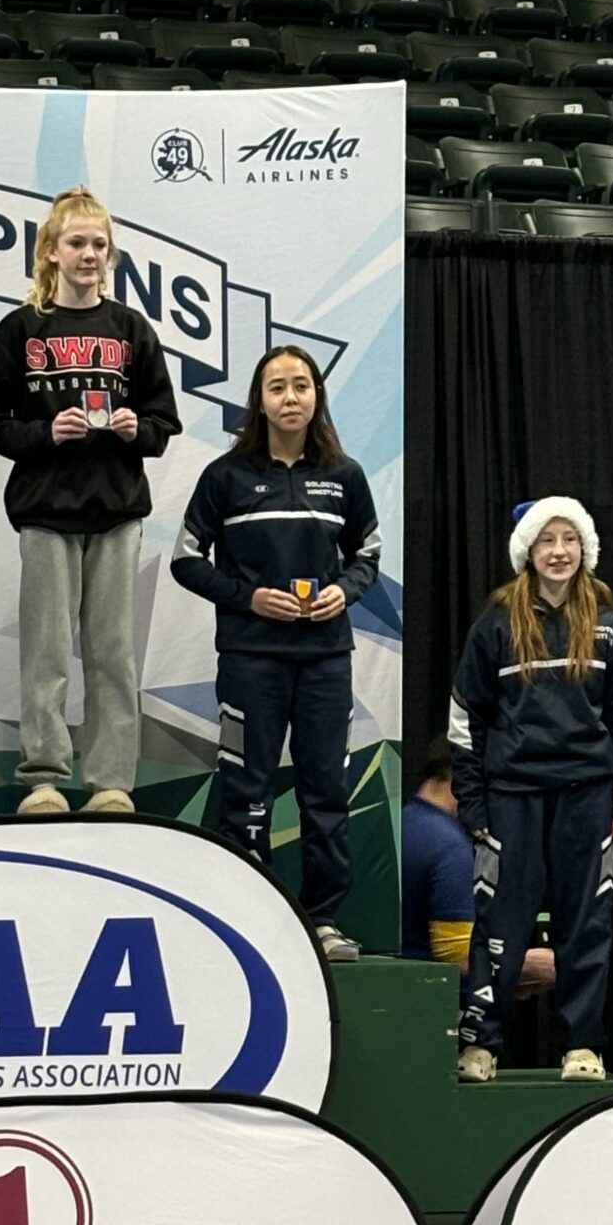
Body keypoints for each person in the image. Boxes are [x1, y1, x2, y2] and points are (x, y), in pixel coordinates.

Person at [0, 186, 180, 814]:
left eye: (99, 244)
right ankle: (43, 778)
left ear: (110, 254)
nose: (89, 254)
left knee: (113, 652)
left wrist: (132, 430)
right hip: (44, 511)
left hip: (117, 512)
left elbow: (163, 422)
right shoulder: (20, 329)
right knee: (45, 652)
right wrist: (45, 433)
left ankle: (112, 781)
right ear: (50, 251)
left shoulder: (130, 329)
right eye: (77, 243)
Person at [172, 345, 381, 961]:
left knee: (325, 791)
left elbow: (366, 556)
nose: (290, 398)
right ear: (258, 402)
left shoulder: (345, 476)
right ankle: (245, 913)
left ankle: (321, 921)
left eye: (301, 386)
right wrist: (249, 599)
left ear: (316, 396)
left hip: (324, 662)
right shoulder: (225, 477)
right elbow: (186, 559)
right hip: (250, 658)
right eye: (276, 388)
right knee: (247, 786)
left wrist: (343, 593)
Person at [448, 496, 613, 1080]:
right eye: (546, 541)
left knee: (586, 926)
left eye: (569, 540)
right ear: (527, 553)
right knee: (500, 924)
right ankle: (480, 1043)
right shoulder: (496, 626)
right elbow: (464, 719)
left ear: (585, 549)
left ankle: (583, 1046)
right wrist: (474, 801)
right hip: (511, 798)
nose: (559, 552)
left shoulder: (608, 627)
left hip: (589, 797)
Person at [403, 740, 555, 1004]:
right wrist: (535, 965)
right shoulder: (449, 846)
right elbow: (459, 957)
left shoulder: (399, 824)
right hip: (429, 1013)